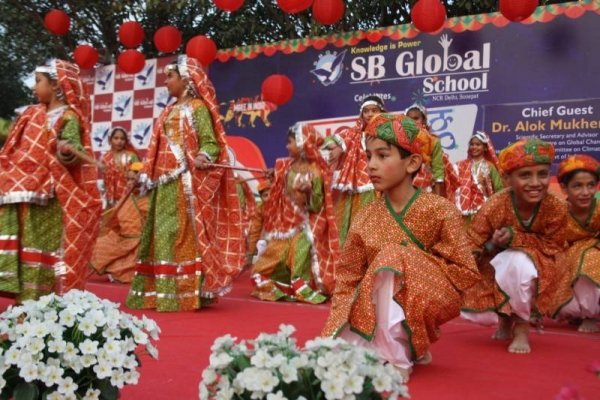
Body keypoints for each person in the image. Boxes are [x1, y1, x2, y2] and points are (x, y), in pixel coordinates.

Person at [322, 113, 480, 382]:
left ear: (413, 163)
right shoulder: (365, 216)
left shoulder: (440, 210)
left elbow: (465, 271)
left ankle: (396, 354)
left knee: (392, 256)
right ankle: (407, 345)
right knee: (333, 355)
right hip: (374, 303)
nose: (371, 165)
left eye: (382, 156)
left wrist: (416, 267)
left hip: (430, 297)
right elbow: (348, 278)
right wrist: (333, 329)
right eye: (368, 156)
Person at [126, 55, 245, 312]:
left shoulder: (198, 108)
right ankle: (161, 293)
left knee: (178, 234)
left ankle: (184, 293)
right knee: (161, 234)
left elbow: (211, 142)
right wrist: (145, 174)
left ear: (186, 80)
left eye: (170, 76)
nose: (165, 81)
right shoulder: (168, 111)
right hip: (162, 184)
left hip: (184, 183)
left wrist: (204, 155)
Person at [0, 59, 101, 301]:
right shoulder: (31, 113)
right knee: (24, 243)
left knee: (40, 246)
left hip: (49, 193)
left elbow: (73, 145)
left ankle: (38, 303)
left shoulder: (68, 116)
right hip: (22, 189)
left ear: (56, 85)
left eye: (38, 81)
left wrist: (67, 150)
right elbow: (12, 142)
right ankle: (24, 300)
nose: (34, 87)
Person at [461, 138, 569, 354]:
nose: (535, 183)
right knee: (506, 264)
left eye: (542, 174)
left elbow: (555, 247)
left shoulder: (556, 207)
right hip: (495, 265)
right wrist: (492, 244)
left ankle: (521, 327)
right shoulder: (495, 204)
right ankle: (504, 318)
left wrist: (515, 238)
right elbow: (472, 242)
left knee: (518, 263)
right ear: (507, 179)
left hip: (544, 268)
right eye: (525, 175)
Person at [251, 123, 339, 304]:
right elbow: (281, 188)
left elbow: (316, 206)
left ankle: (301, 287)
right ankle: (282, 288)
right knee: (260, 271)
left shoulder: (315, 172)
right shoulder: (286, 167)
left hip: (306, 227)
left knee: (298, 255)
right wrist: (274, 176)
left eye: (290, 142)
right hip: (286, 225)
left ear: (302, 144)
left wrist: (308, 192)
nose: (287, 146)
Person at [321, 96, 377, 247]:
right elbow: (326, 142)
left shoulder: (388, 133)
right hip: (356, 188)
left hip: (381, 187)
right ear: (361, 114)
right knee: (352, 228)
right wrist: (337, 147)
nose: (370, 114)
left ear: (382, 112)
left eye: (374, 110)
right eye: (366, 111)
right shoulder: (352, 134)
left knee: (375, 226)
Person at [554, 155, 599, 332]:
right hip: (568, 262)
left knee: (588, 257)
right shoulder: (557, 214)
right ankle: (578, 311)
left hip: (595, 259)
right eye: (578, 186)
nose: (586, 192)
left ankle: (590, 315)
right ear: (564, 188)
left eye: (591, 185)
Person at [90, 162, 147, 283]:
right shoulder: (128, 197)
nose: (130, 182)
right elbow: (115, 219)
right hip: (121, 237)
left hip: (139, 243)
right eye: (128, 179)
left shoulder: (148, 199)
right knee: (98, 245)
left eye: (133, 179)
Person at [406, 104, 457, 198]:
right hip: (405, 185)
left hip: (426, 187)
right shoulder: (400, 140)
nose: (412, 122)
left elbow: (438, 169)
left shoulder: (433, 141)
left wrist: (437, 198)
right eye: (409, 119)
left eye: (416, 118)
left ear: (423, 120)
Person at [452, 131, 504, 221]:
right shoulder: (461, 165)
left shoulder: (489, 166)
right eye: (472, 144)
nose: (474, 147)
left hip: (484, 209)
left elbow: (499, 188)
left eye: (478, 144)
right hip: (464, 212)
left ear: (485, 148)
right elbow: (453, 184)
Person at [100, 126, 140, 206]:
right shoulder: (105, 158)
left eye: (122, 139)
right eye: (116, 138)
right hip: (110, 199)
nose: (119, 141)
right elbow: (105, 180)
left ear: (126, 141)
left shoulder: (131, 156)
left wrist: (133, 176)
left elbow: (141, 174)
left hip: (129, 197)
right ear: (110, 140)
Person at [246, 180, 271, 265]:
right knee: (261, 243)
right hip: (269, 240)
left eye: (271, 194)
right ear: (261, 198)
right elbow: (255, 231)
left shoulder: (283, 205)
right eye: (265, 195)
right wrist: (250, 254)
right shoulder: (260, 209)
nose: (269, 198)